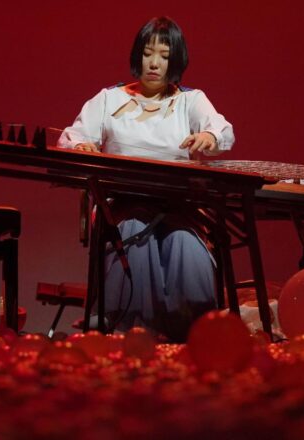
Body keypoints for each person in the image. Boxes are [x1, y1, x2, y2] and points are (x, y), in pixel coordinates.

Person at [58, 16, 235, 341]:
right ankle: (132, 334)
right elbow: (71, 136)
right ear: (137, 54)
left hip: (179, 206)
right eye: (148, 53)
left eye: (165, 56)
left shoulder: (190, 100)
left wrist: (209, 136)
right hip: (122, 205)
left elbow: (222, 129)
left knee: (186, 246)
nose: (154, 63)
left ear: (176, 60)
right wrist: (82, 144)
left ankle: (190, 338)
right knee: (134, 238)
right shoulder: (109, 99)